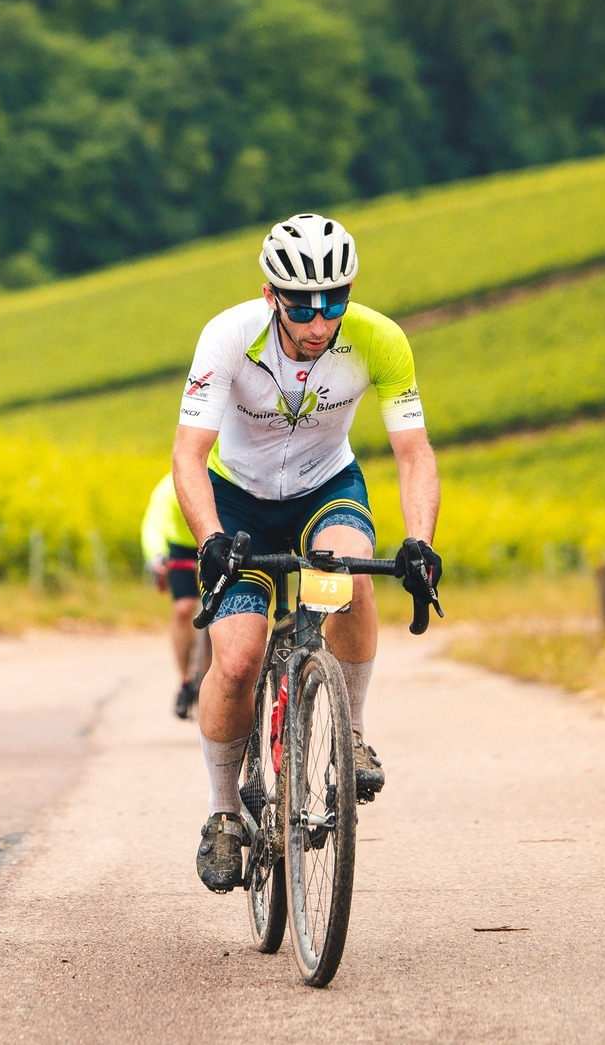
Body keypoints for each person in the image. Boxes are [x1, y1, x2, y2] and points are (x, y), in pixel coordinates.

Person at [172, 213, 442, 895]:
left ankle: (349, 732)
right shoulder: (227, 336)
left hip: (325, 484)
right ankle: (223, 811)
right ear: (271, 295)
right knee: (234, 658)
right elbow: (188, 454)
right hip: (238, 501)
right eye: (301, 305)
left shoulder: (379, 339)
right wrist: (209, 538)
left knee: (349, 576)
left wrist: (420, 543)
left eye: (333, 301)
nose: (319, 321)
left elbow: (413, 454)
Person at [140, 472, 207, 719]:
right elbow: (154, 523)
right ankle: (184, 681)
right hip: (179, 547)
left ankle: (211, 672)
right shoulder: (168, 487)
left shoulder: (216, 476)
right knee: (183, 608)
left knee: (218, 610)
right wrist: (156, 555)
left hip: (210, 541)